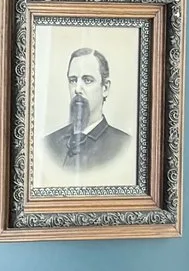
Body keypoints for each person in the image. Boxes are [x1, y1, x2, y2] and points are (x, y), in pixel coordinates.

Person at [42, 45, 134, 178]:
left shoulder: (124, 146)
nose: (77, 89)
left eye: (87, 80)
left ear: (105, 88)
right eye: (73, 80)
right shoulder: (48, 143)